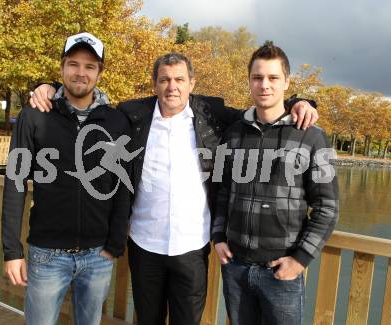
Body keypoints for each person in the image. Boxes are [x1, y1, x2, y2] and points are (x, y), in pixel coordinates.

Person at [30, 52, 318, 325]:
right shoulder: (133, 114)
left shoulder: (211, 113)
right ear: (155, 84)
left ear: (191, 84)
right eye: (165, 79)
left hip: (192, 247)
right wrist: (47, 87)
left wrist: (301, 102)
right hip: (145, 244)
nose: (172, 87)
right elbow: (87, 99)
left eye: (179, 79)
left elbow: (263, 108)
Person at [1, 32, 132, 325]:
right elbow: (15, 181)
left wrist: (114, 245)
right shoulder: (34, 116)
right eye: (74, 63)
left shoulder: (116, 121)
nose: (81, 72)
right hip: (47, 255)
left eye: (90, 66)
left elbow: (122, 187)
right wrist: (12, 251)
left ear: (99, 72)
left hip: (98, 256)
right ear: (62, 67)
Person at [212, 42, 339, 325]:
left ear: (286, 82)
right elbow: (222, 191)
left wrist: (300, 260)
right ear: (249, 82)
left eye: (273, 78)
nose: (264, 85)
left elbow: (327, 207)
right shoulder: (232, 134)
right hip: (236, 267)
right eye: (257, 78)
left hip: (281, 271)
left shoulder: (313, 138)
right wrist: (218, 236)